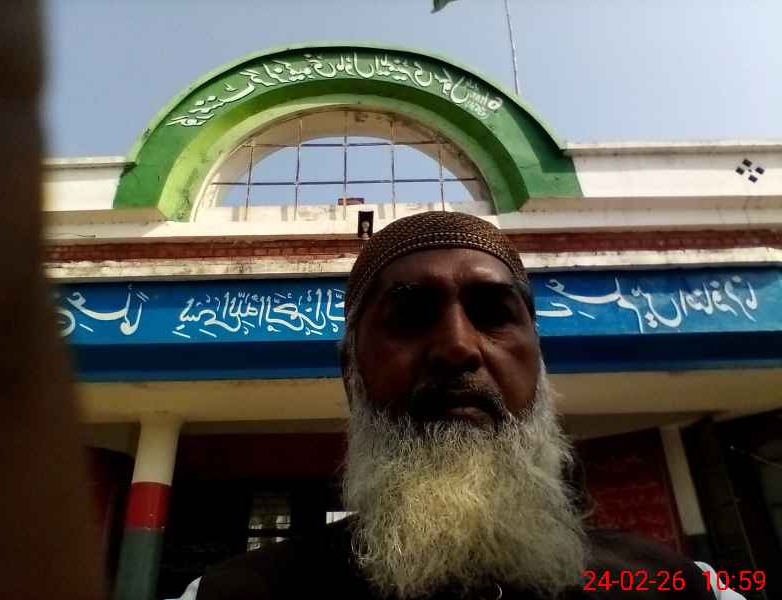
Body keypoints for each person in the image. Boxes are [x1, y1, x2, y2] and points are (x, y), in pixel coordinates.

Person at [174, 212, 744, 599]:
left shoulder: (681, 587)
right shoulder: (233, 593)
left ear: (539, 365)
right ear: (352, 374)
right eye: (410, 318)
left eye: (493, 314)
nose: (457, 347)